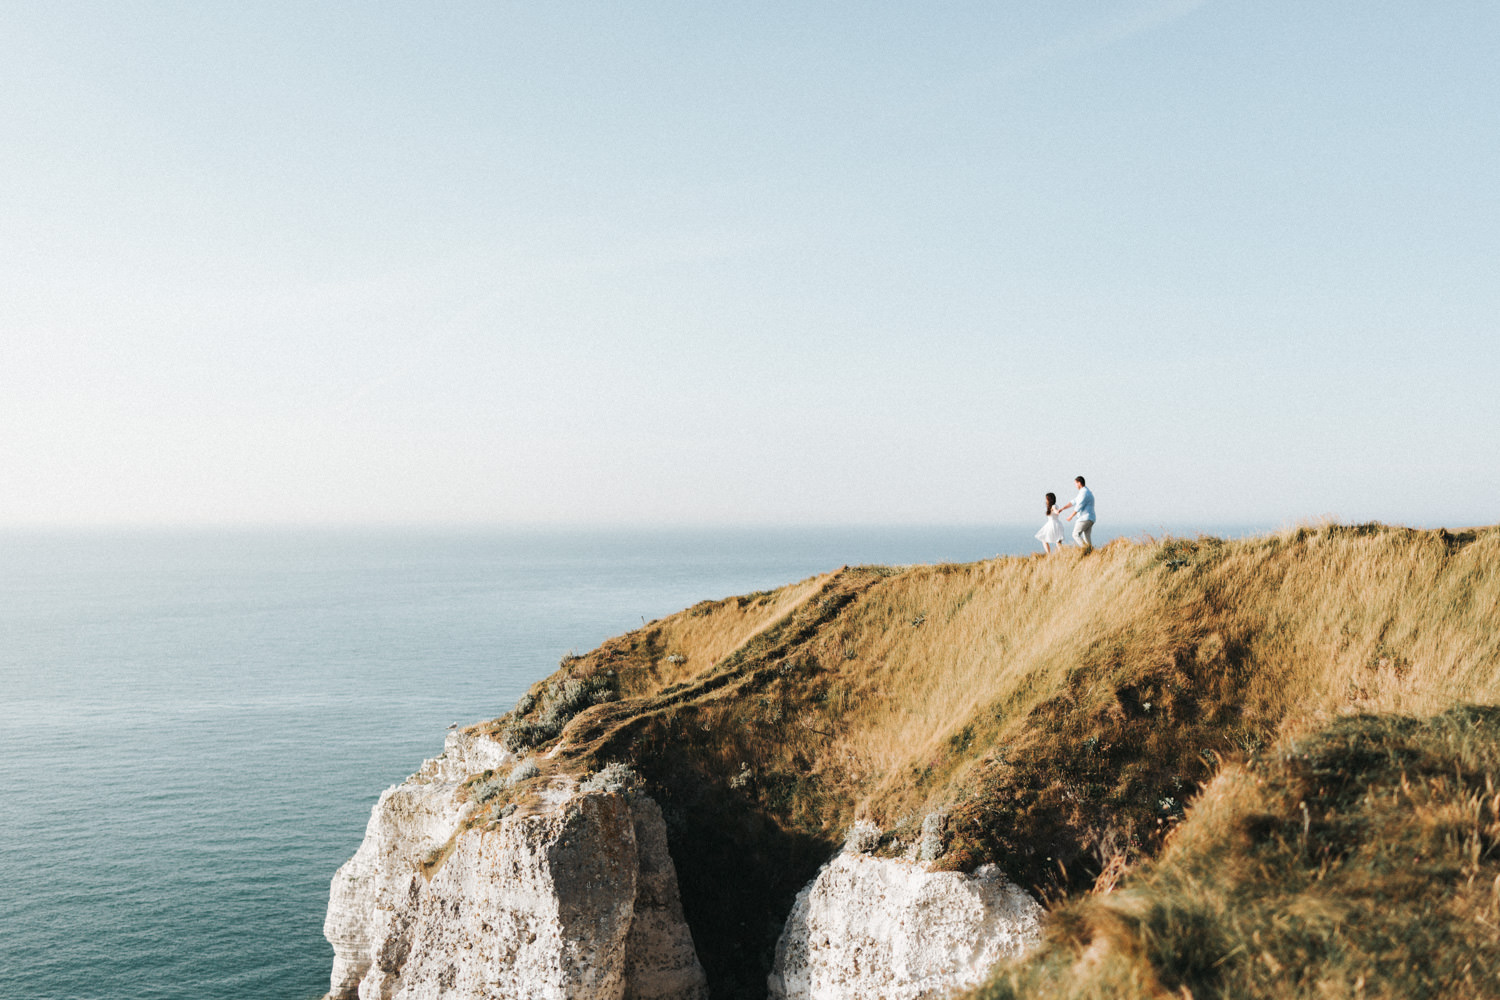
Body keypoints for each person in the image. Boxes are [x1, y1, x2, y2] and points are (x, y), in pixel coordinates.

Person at [1058, 475, 1096, 550]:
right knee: (1086, 536)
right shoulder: (1084, 492)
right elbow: (1073, 502)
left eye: (1075, 484)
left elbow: (1079, 506)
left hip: (1085, 518)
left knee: (1075, 534)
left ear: (1079, 483)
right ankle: (1091, 551)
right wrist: (1063, 508)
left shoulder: (1084, 493)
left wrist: (1071, 516)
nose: (1075, 485)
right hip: (1090, 518)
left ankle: (1086, 550)